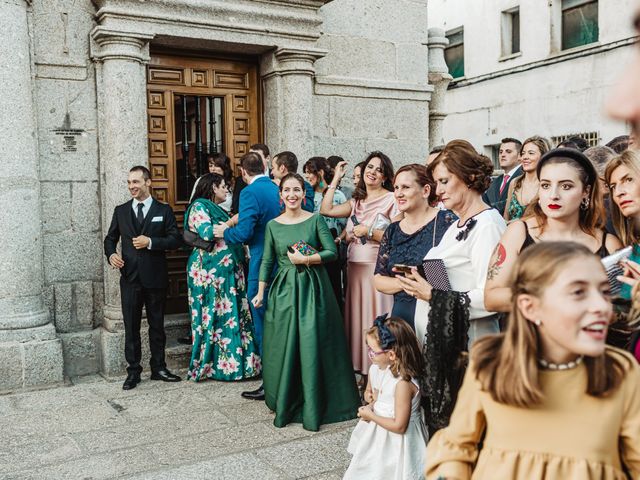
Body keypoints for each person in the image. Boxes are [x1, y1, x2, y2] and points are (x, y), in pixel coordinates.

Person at [424, 242, 640, 479]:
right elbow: (456, 448)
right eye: (578, 293)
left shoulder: (620, 371)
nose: (602, 306)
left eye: (605, 292)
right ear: (530, 307)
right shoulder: (493, 363)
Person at [396, 140, 506, 434]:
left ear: (469, 177)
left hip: (470, 349)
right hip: (444, 347)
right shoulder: (459, 224)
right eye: (436, 182)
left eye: (445, 181)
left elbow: (491, 297)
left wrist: (431, 294)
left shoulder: (487, 226)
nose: (439, 189)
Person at [252, 173, 360, 431]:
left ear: (303, 193)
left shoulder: (315, 220)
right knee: (285, 344)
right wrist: (260, 291)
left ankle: (317, 401)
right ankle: (287, 398)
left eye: (297, 190)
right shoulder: (272, 225)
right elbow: (267, 260)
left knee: (313, 342)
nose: (292, 194)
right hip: (284, 291)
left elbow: (332, 252)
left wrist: (307, 260)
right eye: (287, 190)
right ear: (281, 195)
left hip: (314, 289)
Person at [485, 148, 622, 313]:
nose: (553, 195)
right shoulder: (519, 232)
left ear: (585, 191)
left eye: (566, 186)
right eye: (545, 185)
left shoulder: (609, 244)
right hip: (529, 337)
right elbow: (492, 297)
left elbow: (622, 308)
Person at [104, 166, 182, 390]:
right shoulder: (121, 211)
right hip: (129, 278)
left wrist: (151, 242)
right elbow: (110, 239)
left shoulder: (163, 210)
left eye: (136, 182)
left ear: (148, 183)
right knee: (131, 327)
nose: (132, 187)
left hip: (156, 277)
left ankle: (159, 367)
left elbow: (175, 240)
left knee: (157, 326)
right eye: (129, 183)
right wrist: (112, 255)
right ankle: (133, 371)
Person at [321, 152, 398, 375]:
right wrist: (336, 178)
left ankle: (381, 369)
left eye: (378, 169)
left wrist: (370, 232)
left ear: (385, 177)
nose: (372, 172)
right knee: (358, 318)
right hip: (354, 269)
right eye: (369, 167)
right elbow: (326, 209)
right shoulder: (356, 200)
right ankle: (361, 368)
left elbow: (397, 236)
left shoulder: (391, 199)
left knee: (376, 315)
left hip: (376, 268)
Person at [213, 151, 281, 400]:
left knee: (262, 322)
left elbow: (245, 231)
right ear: (265, 166)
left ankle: (270, 383)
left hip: (262, 262)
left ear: (243, 172)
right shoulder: (276, 188)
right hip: (283, 264)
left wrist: (224, 232)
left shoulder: (250, 192)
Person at [184, 173, 261, 381]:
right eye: (223, 186)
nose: (227, 190)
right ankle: (215, 366)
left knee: (232, 315)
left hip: (227, 271)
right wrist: (233, 222)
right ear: (212, 188)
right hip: (209, 272)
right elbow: (207, 233)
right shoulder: (199, 206)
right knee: (214, 316)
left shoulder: (219, 209)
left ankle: (240, 365)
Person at [344, 315, 428, 480]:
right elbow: (373, 393)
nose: (369, 355)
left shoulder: (403, 384)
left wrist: (371, 416)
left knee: (395, 472)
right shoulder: (379, 368)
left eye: (372, 351)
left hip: (399, 443)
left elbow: (399, 426)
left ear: (391, 355)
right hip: (381, 436)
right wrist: (370, 401)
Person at [374, 164, 455, 327]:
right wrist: (406, 282)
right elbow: (378, 280)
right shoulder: (393, 230)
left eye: (405, 187)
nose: (398, 194)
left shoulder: (447, 221)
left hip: (435, 312)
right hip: (401, 316)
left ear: (425, 191)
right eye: (396, 188)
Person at [303, 156, 347, 308]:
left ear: (320, 172)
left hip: (331, 244)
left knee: (333, 287)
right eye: (306, 173)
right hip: (311, 246)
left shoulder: (338, 196)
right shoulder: (307, 195)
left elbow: (347, 224)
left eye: (310, 172)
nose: (307, 176)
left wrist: (339, 239)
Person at [504, 136, 550, 222]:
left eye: (531, 153)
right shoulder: (514, 183)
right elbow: (506, 216)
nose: (525, 157)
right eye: (523, 153)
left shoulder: (548, 185)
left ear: (543, 156)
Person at [482, 137, 522, 216]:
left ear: (519, 156)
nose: (503, 155)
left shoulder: (524, 177)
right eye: (500, 152)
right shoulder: (495, 182)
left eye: (508, 152)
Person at [231, 143, 270, 214]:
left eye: (257, 157)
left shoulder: (276, 178)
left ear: (267, 158)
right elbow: (236, 207)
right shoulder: (241, 180)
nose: (253, 160)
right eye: (251, 156)